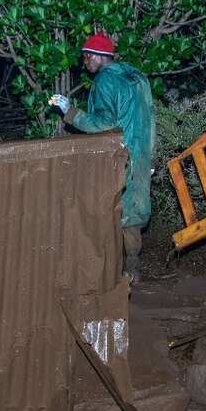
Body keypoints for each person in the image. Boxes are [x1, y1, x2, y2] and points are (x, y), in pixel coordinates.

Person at [49, 33, 155, 283]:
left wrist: (70, 111)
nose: (84, 61)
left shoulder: (105, 80)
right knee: (133, 213)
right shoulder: (136, 77)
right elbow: (150, 118)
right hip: (141, 154)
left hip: (118, 156)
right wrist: (150, 157)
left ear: (99, 57)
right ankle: (133, 267)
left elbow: (103, 124)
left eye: (87, 56)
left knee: (106, 211)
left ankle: (107, 274)